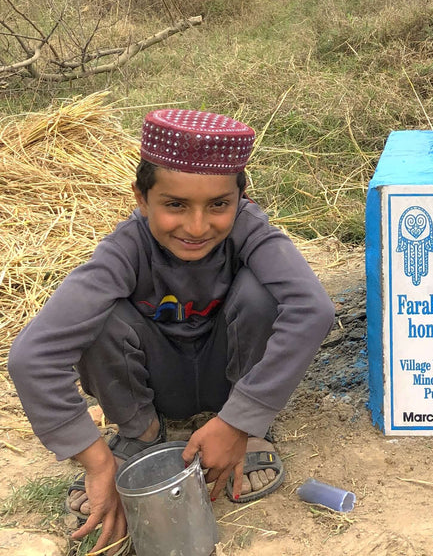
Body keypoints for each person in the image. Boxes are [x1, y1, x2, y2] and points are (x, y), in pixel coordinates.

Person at [9, 110, 336, 556]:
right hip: (155, 385)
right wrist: (95, 459)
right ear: (142, 199)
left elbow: (313, 309)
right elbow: (33, 356)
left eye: (219, 204)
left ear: (241, 199)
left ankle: (251, 433)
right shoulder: (125, 250)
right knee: (99, 316)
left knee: (265, 294)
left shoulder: (251, 232)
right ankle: (138, 435)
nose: (198, 227)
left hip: (230, 382)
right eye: (175, 205)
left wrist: (240, 420)